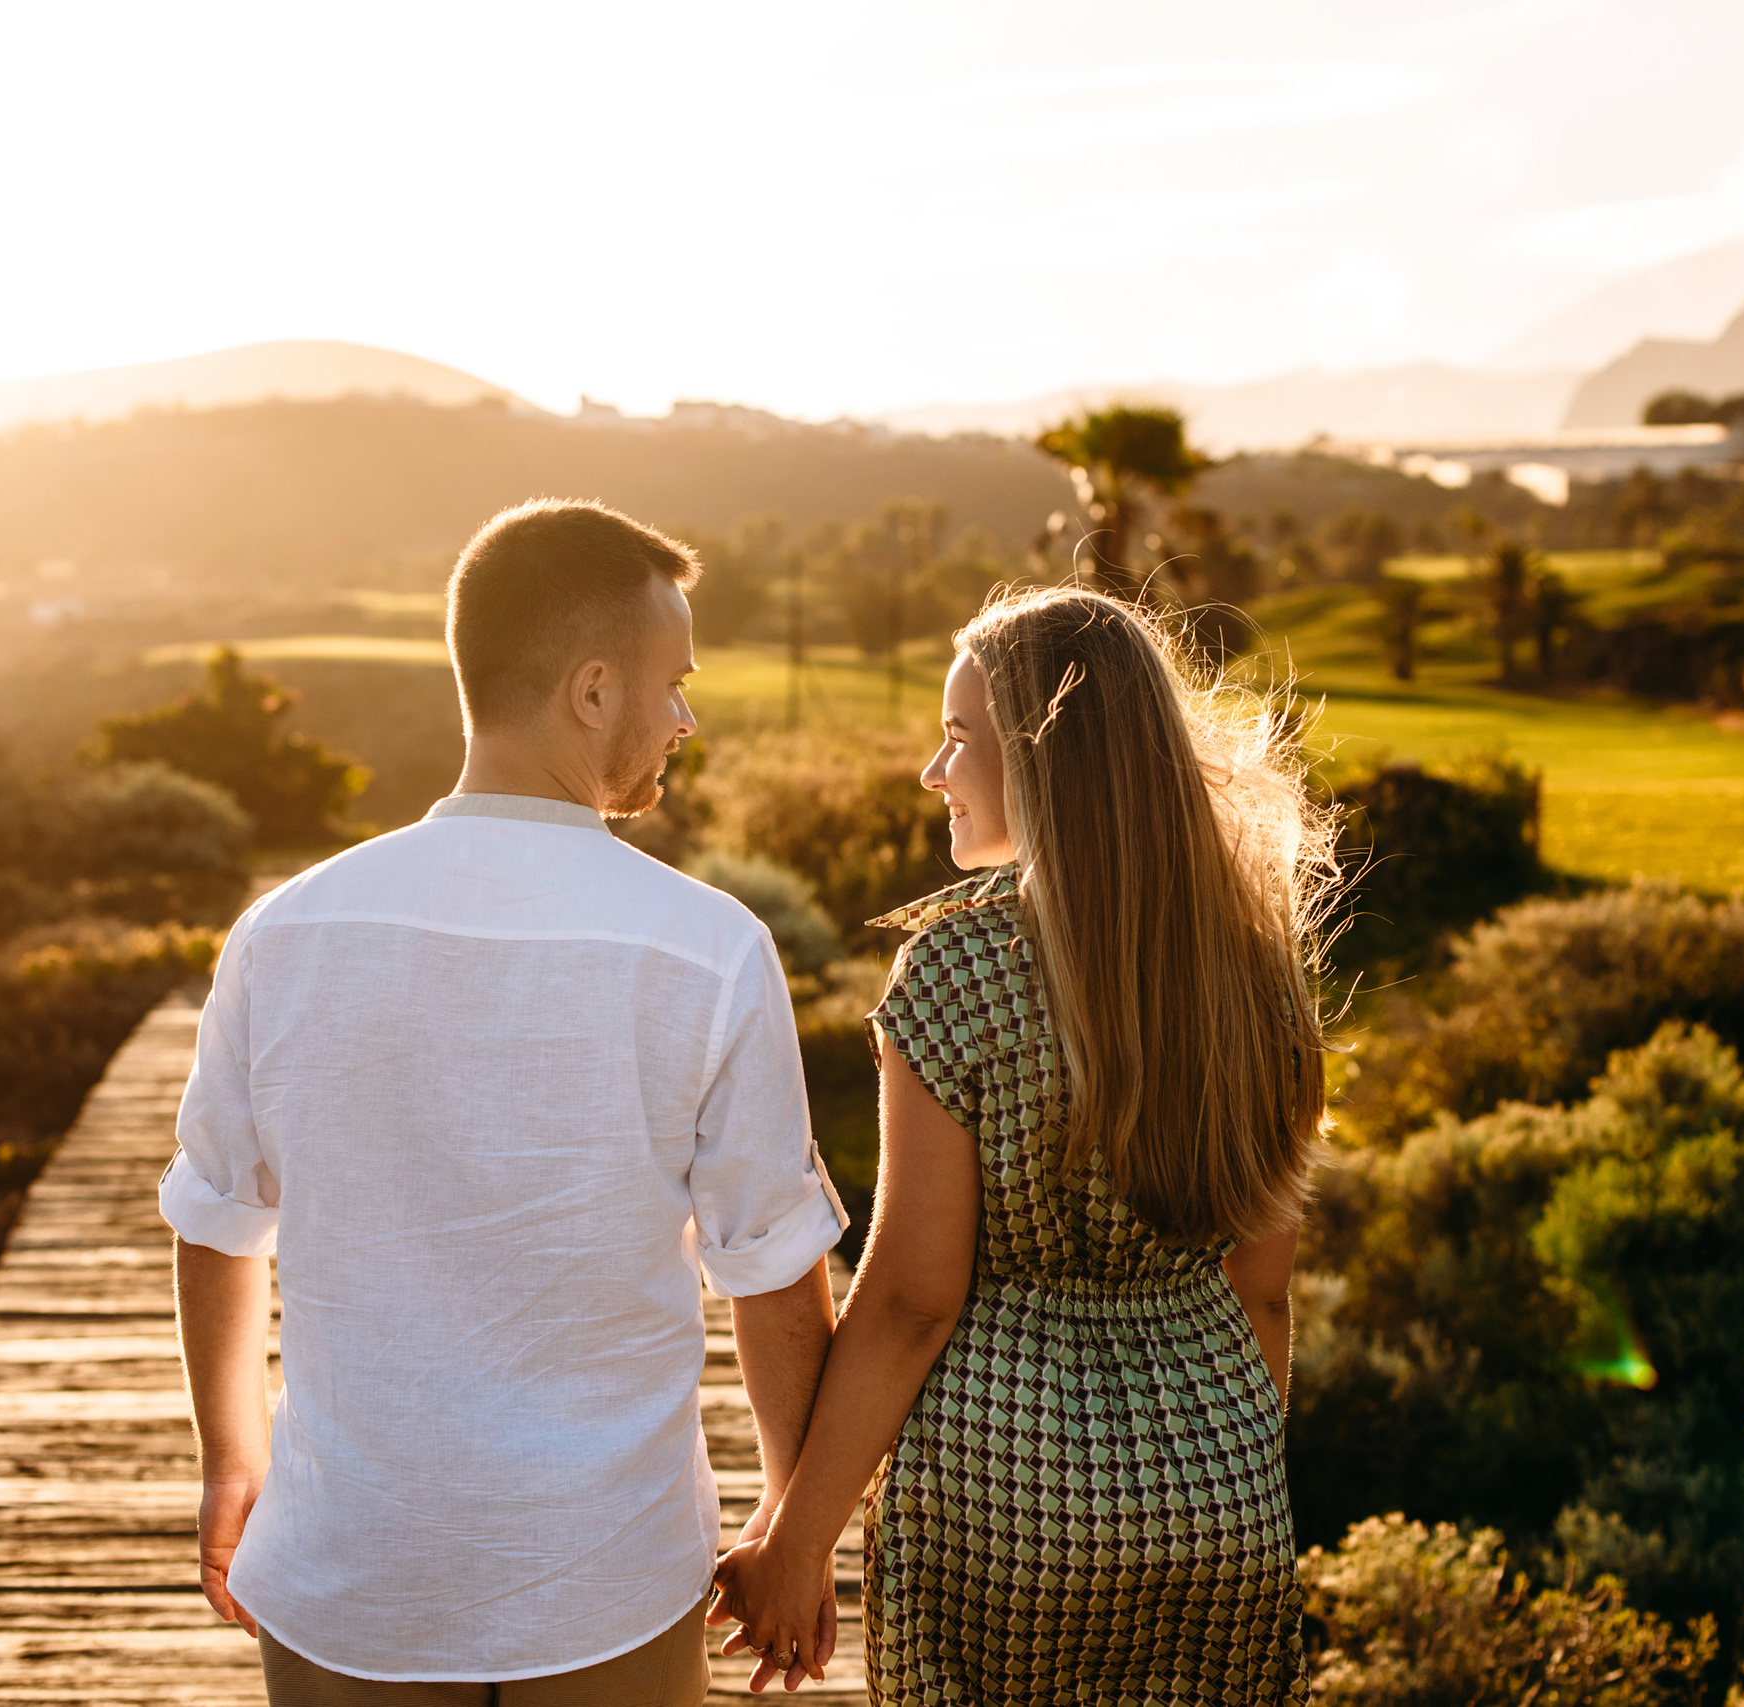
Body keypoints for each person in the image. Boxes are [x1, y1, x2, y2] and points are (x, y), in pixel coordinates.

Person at [164, 498, 847, 1706]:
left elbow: (216, 1219)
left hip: (346, 1564)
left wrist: (232, 1462)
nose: (684, 718)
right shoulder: (707, 948)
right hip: (608, 1568)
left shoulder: (283, 933)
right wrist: (796, 1527)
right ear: (592, 693)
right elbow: (773, 1277)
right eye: (671, 683)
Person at [712, 586, 1332, 1703]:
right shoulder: (1261, 968)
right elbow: (1265, 1291)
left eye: (957, 739)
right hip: (1219, 1491)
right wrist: (1219, 1460)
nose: (931, 772)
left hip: (1000, 1505)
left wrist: (796, 1540)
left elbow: (910, 1300)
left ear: (1046, 762)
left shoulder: (959, 971)